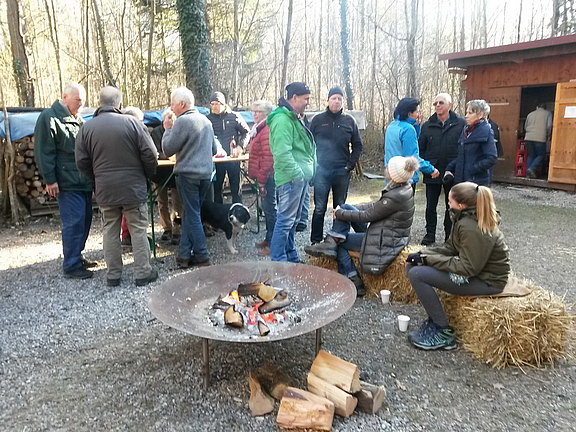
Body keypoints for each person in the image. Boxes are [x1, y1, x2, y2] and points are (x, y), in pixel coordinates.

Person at [405, 182, 510, 350]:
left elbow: (468, 268)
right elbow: (450, 248)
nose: (448, 204)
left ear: (460, 205)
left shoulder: (472, 227)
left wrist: (428, 260)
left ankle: (443, 333)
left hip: (487, 281)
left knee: (417, 274)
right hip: (476, 273)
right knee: (412, 267)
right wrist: (423, 255)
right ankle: (434, 319)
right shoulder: (464, 217)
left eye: (449, 201)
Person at [75, 87, 159, 287]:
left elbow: (81, 162)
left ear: (100, 102)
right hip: (133, 187)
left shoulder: (86, 128)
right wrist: (145, 175)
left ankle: (113, 275)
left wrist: (96, 178)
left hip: (105, 189)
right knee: (138, 229)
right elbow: (151, 154)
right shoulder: (133, 123)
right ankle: (142, 273)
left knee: (110, 230)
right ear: (119, 104)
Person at [305, 156, 420, 297]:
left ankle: (353, 278)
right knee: (346, 207)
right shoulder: (401, 188)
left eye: (388, 168)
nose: (385, 168)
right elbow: (375, 207)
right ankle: (332, 241)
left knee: (340, 244)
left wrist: (341, 214)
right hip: (385, 232)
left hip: (385, 240)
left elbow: (368, 216)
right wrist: (347, 209)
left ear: (395, 174)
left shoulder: (395, 196)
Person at [34, 83, 95, 279]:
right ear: (65, 97)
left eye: (83, 101)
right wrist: (50, 180)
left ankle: (77, 255)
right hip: (67, 181)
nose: (81, 104)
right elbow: (44, 152)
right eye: (78, 100)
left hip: (83, 180)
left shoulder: (79, 120)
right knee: (74, 222)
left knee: (85, 221)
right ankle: (71, 265)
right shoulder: (49, 118)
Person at [162, 87, 226, 269]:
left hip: (187, 175)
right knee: (192, 214)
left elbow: (167, 149)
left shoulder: (182, 122)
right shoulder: (206, 121)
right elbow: (215, 150)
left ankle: (202, 255)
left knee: (192, 214)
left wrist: (167, 129)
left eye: (173, 104)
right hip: (205, 175)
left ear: (182, 104)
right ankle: (183, 256)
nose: (172, 108)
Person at [267, 82, 316, 262]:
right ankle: (278, 260)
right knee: (285, 220)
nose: (307, 102)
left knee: (293, 221)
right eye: (306, 99)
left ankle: (290, 256)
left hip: (298, 178)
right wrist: (298, 174)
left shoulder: (294, 117)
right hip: (291, 178)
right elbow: (282, 153)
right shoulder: (282, 120)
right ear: (294, 97)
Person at [309, 86, 363, 244]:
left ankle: (337, 238)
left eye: (340, 98)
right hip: (321, 171)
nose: (337, 101)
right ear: (328, 100)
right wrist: (313, 167)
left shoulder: (349, 121)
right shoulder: (317, 120)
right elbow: (308, 145)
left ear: (342, 101)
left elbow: (358, 145)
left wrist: (350, 166)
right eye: (334, 98)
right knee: (319, 208)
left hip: (342, 171)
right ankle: (316, 241)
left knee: (340, 208)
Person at [418, 93, 466, 245]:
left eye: (441, 102)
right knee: (430, 205)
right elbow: (421, 150)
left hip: (452, 172)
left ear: (450, 105)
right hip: (432, 172)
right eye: (435, 103)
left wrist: (456, 168)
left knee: (450, 205)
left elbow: (463, 149)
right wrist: (427, 168)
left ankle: (448, 236)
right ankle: (430, 233)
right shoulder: (427, 126)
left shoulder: (460, 124)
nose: (437, 105)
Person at [384, 97, 439, 191]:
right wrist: (431, 169)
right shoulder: (408, 129)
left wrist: (416, 126)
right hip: (404, 177)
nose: (418, 114)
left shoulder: (392, 126)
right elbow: (412, 158)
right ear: (409, 114)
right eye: (416, 111)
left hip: (391, 173)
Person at [207, 91, 250, 203]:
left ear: (224, 104)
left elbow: (246, 132)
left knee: (236, 189)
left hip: (233, 158)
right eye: (212, 104)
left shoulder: (234, 116)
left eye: (217, 104)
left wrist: (241, 147)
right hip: (216, 159)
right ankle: (218, 217)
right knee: (216, 190)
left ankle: (239, 214)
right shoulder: (208, 119)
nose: (215, 107)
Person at [444, 99, 497, 187]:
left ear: (480, 115)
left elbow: (492, 157)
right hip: (461, 181)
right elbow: (462, 156)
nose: (466, 116)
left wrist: (473, 169)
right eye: (466, 112)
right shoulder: (466, 130)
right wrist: (449, 168)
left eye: (470, 113)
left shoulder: (486, 131)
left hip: (476, 182)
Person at [247, 100, 276, 256]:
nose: (254, 114)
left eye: (258, 112)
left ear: (266, 114)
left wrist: (262, 181)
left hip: (269, 176)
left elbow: (268, 158)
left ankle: (273, 244)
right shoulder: (258, 129)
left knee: (270, 211)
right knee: (267, 209)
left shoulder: (266, 130)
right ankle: (268, 238)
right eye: (254, 111)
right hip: (263, 174)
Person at [150, 109, 182, 245]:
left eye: (173, 117)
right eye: (169, 117)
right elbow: (155, 151)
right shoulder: (156, 132)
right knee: (161, 201)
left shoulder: (178, 130)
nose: (172, 120)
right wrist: (167, 155)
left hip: (176, 171)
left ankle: (177, 229)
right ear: (164, 120)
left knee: (178, 202)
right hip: (159, 172)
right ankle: (166, 228)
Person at [524, 103, 552, 179]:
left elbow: (525, 126)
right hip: (540, 138)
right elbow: (549, 126)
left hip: (528, 137)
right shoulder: (548, 113)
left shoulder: (530, 114)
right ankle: (531, 169)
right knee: (541, 155)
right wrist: (548, 134)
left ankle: (528, 174)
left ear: (537, 107)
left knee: (531, 155)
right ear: (545, 108)